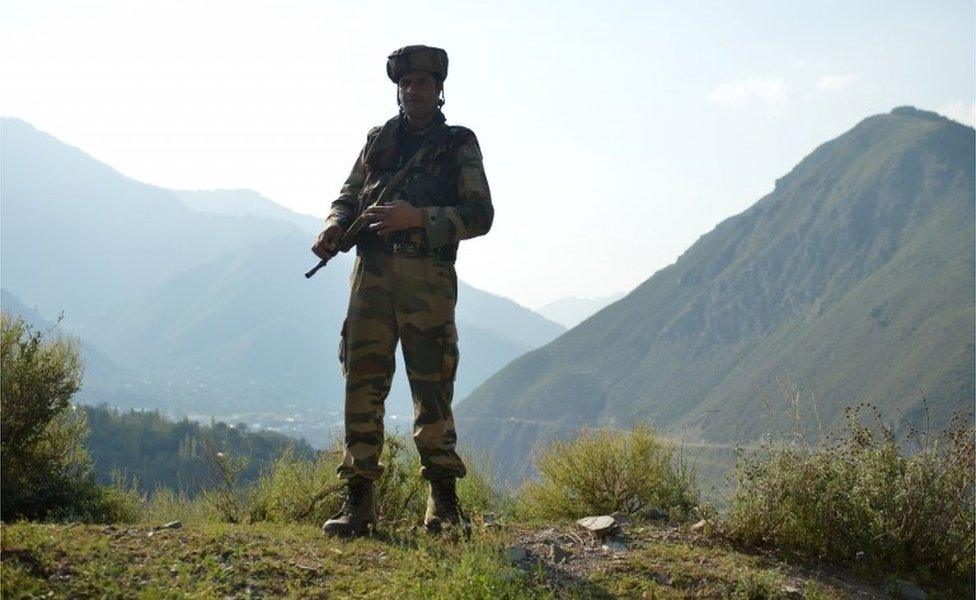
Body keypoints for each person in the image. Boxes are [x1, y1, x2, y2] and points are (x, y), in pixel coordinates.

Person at [312, 45, 493, 536]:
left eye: (423, 83)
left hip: (426, 282)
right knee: (362, 386)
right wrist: (333, 226)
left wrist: (418, 218)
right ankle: (358, 502)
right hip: (371, 277)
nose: (413, 90)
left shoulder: (457, 144)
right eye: (406, 83)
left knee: (432, 389)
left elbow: (481, 216)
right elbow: (348, 194)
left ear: (439, 90)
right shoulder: (379, 140)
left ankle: (443, 503)